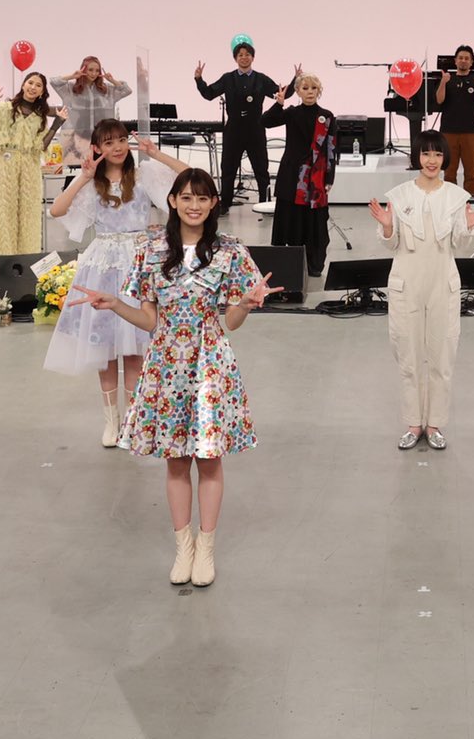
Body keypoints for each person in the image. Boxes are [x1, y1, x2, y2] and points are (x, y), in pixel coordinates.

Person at [68, 167, 272, 588]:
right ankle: (184, 547)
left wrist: (246, 304)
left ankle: (206, 547)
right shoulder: (151, 249)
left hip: (210, 364)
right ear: (173, 201)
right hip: (165, 365)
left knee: (209, 459)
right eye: (187, 197)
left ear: (213, 204)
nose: (194, 206)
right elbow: (149, 319)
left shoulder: (230, 251)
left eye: (203, 198)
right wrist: (114, 304)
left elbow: (231, 322)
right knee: (176, 461)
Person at [45, 118, 185, 445]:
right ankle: (112, 423)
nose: (118, 147)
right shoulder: (91, 182)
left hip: (138, 264)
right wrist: (82, 177)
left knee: (135, 349)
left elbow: (190, 177)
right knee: (106, 349)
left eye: (121, 140)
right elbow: (57, 210)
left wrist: (156, 154)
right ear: (97, 148)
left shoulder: (143, 174)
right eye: (109, 143)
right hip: (103, 267)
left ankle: (133, 422)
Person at [372, 131, 474, 452]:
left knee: (442, 355)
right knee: (408, 356)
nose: (431, 161)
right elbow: (390, 242)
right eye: (426, 154)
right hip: (406, 283)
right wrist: (387, 225)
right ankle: (413, 423)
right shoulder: (399, 196)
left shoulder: (456, 197)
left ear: (445, 158)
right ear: (417, 157)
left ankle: (435, 424)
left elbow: (459, 243)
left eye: (437, 154)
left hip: (443, 283)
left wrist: (469, 225)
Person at [261, 71, 337, 276]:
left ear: (319, 91)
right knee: (290, 220)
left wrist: (330, 177)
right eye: (305, 88)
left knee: (315, 223)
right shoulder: (292, 113)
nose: (310, 92)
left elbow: (331, 148)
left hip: (316, 179)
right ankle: (289, 265)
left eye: (313, 88)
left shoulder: (327, 116)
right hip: (291, 175)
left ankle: (314, 266)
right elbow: (265, 121)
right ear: (298, 91)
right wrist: (278, 104)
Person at [0, 72, 59, 254]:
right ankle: (5, 259)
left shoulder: (39, 116)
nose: (33, 87)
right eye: (30, 82)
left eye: (38, 85)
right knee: (5, 213)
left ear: (42, 92)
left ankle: (28, 258)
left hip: (30, 166)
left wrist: (56, 124)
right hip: (6, 165)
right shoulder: (4, 109)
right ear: (23, 85)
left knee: (30, 213)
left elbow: (41, 146)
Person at [195, 41, 280, 207]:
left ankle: (265, 203)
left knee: (261, 169)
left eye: (247, 54)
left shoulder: (261, 79)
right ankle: (225, 204)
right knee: (228, 169)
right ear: (235, 58)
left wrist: (296, 80)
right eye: (240, 55)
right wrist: (199, 79)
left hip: (255, 128)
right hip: (234, 129)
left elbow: (280, 93)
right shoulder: (228, 78)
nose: (244, 57)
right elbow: (209, 94)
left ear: (253, 57)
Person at [434, 45, 474, 191]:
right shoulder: (448, 78)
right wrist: (443, 82)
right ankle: (451, 200)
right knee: (449, 172)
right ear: (455, 61)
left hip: (471, 132)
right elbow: (439, 100)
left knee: (471, 172)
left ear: (471, 62)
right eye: (461, 58)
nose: (463, 61)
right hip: (448, 132)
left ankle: (471, 200)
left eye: (467, 58)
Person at [56, 56, 131, 163]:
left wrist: (112, 80)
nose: (94, 73)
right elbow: (54, 82)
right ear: (83, 70)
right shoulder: (70, 89)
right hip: (76, 139)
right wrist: (72, 76)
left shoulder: (107, 89)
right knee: (77, 168)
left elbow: (127, 90)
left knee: (102, 167)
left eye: (97, 70)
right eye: (90, 70)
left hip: (101, 139)